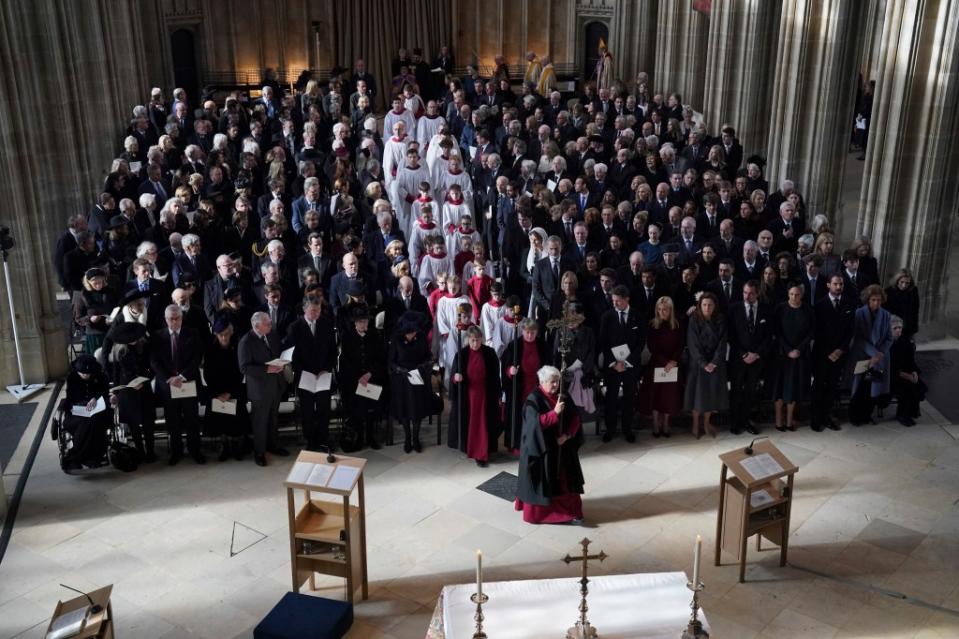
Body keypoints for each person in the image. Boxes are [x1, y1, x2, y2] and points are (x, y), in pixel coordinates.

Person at [515, 365, 585, 525]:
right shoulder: (533, 399)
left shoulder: (563, 395)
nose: (556, 385)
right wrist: (554, 414)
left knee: (566, 480)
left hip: (562, 448)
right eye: (552, 382)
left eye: (557, 381)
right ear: (542, 382)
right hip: (541, 450)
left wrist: (567, 436)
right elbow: (533, 425)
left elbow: (575, 418)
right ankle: (544, 514)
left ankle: (571, 511)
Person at [151, 304, 205, 465]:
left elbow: (197, 357)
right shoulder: (157, 336)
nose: (174, 322)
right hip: (168, 385)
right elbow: (154, 362)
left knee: (192, 419)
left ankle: (195, 450)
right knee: (172, 420)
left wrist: (181, 376)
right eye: (171, 319)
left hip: (188, 382)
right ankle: (176, 451)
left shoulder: (192, 333)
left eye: (178, 318)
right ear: (165, 319)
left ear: (182, 318)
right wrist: (170, 378)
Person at [285, 298, 336, 453]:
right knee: (307, 410)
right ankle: (310, 440)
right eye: (314, 310)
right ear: (305, 309)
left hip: (323, 375)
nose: (317, 313)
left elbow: (333, 352)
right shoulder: (295, 327)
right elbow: (292, 355)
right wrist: (303, 370)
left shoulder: (326, 324)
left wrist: (326, 368)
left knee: (323, 408)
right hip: (304, 376)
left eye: (319, 310)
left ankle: (323, 439)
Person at [238, 311, 289, 466]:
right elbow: (244, 368)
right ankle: (259, 452)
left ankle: (273, 446)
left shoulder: (272, 335)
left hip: (276, 385)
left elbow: (278, 352)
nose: (271, 325)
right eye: (267, 323)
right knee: (260, 421)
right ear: (257, 326)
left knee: (273, 418)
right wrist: (267, 369)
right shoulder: (246, 342)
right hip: (260, 389)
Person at [103, 320, 156, 462]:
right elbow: (115, 372)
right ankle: (140, 451)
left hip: (144, 387)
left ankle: (150, 451)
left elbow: (153, 368)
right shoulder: (119, 350)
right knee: (133, 424)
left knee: (148, 422)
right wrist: (114, 392)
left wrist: (145, 380)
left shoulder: (145, 346)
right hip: (127, 389)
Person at [449, 325, 502, 467]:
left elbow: (496, 376)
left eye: (478, 340)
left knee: (483, 423)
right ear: (468, 340)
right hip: (469, 395)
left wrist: (497, 394)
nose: (475, 344)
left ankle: (482, 452)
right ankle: (471, 448)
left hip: (485, 394)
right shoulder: (462, 354)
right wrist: (456, 378)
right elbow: (454, 375)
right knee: (472, 422)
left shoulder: (490, 353)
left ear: (482, 340)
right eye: (472, 340)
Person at [598, 285, 645, 442]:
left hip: (631, 366)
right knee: (611, 398)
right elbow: (603, 343)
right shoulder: (607, 316)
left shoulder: (638, 316)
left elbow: (640, 342)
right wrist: (614, 363)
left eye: (618, 301)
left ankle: (627, 429)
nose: (615, 304)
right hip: (612, 366)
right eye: (613, 301)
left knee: (629, 398)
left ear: (627, 300)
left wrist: (627, 362)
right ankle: (610, 429)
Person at [338, 305, 386, 450]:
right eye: (360, 321)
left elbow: (380, 360)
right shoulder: (347, 337)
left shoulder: (375, 336)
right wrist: (358, 377)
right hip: (353, 381)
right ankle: (358, 437)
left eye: (365, 321)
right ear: (354, 322)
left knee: (371, 407)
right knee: (356, 408)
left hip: (371, 379)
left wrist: (369, 374)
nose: (363, 324)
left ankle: (370, 436)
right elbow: (345, 361)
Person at [727, 281, 771, 435]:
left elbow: (768, 336)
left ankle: (746, 421)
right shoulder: (734, 309)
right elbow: (731, 336)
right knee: (736, 391)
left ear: (757, 293)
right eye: (745, 293)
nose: (747, 296)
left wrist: (756, 354)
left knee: (750, 392)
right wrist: (743, 354)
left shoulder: (766, 309)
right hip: (738, 358)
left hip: (757, 359)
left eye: (751, 293)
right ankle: (734, 423)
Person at [811, 274, 855, 431]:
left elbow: (850, 330)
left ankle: (827, 416)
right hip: (822, 354)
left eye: (841, 284)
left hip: (839, 354)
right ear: (828, 285)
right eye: (835, 284)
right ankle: (815, 419)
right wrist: (829, 352)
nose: (838, 287)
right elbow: (817, 332)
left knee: (832, 387)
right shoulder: (819, 305)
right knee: (818, 386)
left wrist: (840, 350)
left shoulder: (849, 303)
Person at [204, 316, 251, 461]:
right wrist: (218, 394)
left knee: (237, 420)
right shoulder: (210, 348)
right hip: (217, 391)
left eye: (226, 334)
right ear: (216, 335)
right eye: (221, 335)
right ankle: (224, 445)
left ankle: (237, 446)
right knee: (220, 420)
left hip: (234, 389)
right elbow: (207, 374)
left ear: (231, 333)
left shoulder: (238, 346)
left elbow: (241, 372)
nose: (224, 337)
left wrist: (230, 393)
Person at [847, 284, 894, 426]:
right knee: (859, 387)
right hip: (862, 355)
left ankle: (867, 415)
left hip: (879, 357)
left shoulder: (886, 315)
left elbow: (889, 338)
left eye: (879, 300)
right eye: (873, 300)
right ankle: (855, 417)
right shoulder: (859, 313)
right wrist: (874, 354)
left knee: (873, 387)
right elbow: (857, 337)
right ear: (868, 299)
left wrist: (879, 355)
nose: (876, 303)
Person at [502, 318, 550, 454]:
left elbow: (548, 365)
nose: (530, 335)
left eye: (533, 332)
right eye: (527, 332)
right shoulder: (514, 345)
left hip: (537, 386)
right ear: (522, 331)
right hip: (520, 387)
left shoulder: (542, 345)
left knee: (536, 415)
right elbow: (506, 364)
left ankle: (536, 442)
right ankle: (517, 444)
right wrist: (510, 370)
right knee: (518, 415)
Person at [771, 283, 815, 432]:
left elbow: (811, 332)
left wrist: (799, 349)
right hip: (782, 354)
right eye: (791, 294)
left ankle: (789, 419)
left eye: (797, 294)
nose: (794, 297)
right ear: (788, 294)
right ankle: (778, 419)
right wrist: (788, 349)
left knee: (793, 387)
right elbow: (776, 331)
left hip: (800, 355)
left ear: (801, 295)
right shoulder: (780, 308)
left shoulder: (808, 309)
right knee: (780, 387)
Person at [684, 292, 728, 438]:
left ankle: (706, 423)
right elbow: (693, 343)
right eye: (704, 305)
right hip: (698, 363)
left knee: (711, 395)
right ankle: (696, 425)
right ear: (700, 305)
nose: (707, 307)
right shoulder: (694, 319)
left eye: (710, 305)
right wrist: (703, 363)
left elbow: (722, 343)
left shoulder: (720, 319)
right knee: (697, 396)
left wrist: (714, 362)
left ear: (715, 306)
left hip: (715, 364)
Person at [638, 296, 684, 437]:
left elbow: (681, 345)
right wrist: (665, 362)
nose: (661, 312)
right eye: (659, 309)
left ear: (670, 310)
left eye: (664, 309)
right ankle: (655, 424)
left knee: (668, 396)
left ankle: (665, 423)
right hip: (657, 364)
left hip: (673, 364)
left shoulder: (677, 324)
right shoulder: (652, 324)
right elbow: (652, 347)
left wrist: (673, 361)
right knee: (655, 396)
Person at [61, 354, 111, 470]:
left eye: (87, 373)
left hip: (98, 411)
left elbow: (104, 392)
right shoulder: (72, 378)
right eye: (81, 373)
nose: (84, 375)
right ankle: (91, 458)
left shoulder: (101, 377)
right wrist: (82, 404)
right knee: (88, 423)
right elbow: (71, 398)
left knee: (93, 421)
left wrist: (95, 398)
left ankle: (75, 457)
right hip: (76, 412)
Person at [888, 315, 926, 427]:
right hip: (890, 375)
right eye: (895, 328)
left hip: (905, 373)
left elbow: (911, 360)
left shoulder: (905, 342)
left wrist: (914, 372)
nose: (898, 330)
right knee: (906, 386)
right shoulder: (886, 343)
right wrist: (905, 375)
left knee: (918, 385)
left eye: (900, 327)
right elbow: (889, 367)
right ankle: (902, 415)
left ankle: (909, 413)